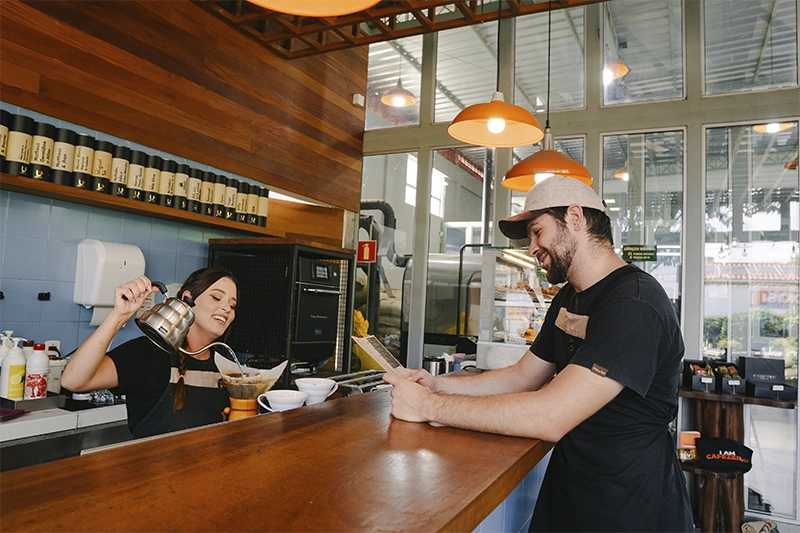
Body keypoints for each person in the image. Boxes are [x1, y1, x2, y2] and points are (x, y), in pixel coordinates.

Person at [382, 176, 693, 533]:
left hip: (629, 503)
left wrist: (427, 407)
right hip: (570, 488)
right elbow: (522, 376)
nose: (532, 248)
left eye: (537, 231)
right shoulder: (567, 298)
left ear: (575, 218)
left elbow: (551, 415)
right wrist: (438, 386)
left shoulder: (634, 304)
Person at [61, 267, 238, 439]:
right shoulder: (150, 353)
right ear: (187, 298)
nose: (227, 308)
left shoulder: (225, 364)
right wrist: (120, 315)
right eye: (216, 297)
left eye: (232, 305)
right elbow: (74, 381)